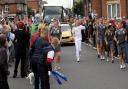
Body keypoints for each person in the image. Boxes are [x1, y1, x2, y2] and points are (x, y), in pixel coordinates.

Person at [30, 23, 59, 89]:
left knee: (36, 78)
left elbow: (31, 49)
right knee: (44, 80)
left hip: (33, 60)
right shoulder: (46, 43)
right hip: (40, 61)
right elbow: (48, 57)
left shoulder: (36, 39)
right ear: (46, 33)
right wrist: (49, 69)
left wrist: (31, 60)